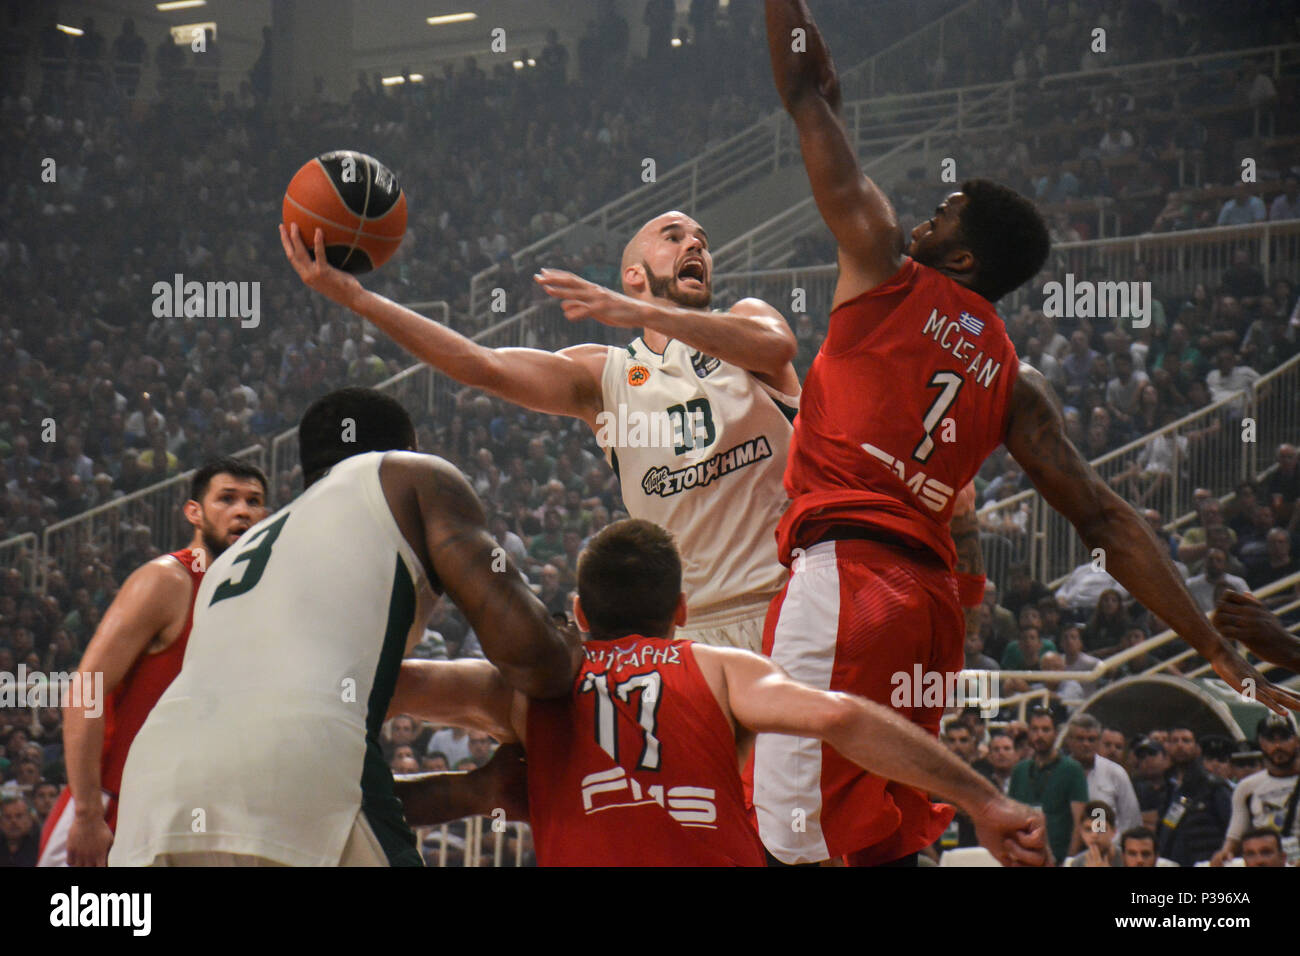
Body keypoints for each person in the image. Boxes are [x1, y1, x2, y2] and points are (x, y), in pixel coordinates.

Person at [754, 0, 1297, 868]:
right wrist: (1209, 645)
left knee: (785, 837)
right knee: (881, 833)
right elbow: (1110, 522)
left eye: (940, 217)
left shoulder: (882, 267)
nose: (921, 223)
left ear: (960, 260)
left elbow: (803, 93)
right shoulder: (1018, 384)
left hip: (846, 579)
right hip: (930, 611)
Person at [281, 212, 798, 653]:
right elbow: (480, 365)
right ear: (634, 274)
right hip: (686, 631)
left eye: (701, 242)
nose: (695, 245)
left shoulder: (747, 321)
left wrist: (640, 312)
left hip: (786, 606)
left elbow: (776, 348)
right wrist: (357, 298)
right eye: (674, 236)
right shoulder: (603, 375)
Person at [390, 520, 1047, 867]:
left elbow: (391, 683)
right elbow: (844, 717)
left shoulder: (523, 691)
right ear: (680, 609)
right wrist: (983, 799)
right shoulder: (724, 669)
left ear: (580, 615)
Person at [109, 389, 581, 867]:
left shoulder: (234, 558)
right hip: (296, 772)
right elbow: (538, 662)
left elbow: (311, 798)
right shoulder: (409, 475)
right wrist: (568, 639)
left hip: (149, 800)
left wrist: (476, 790)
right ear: (408, 446)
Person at [38, 458, 268, 867]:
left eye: (254, 501)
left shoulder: (256, 598)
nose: (242, 511)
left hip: (196, 809)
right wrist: (89, 812)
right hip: (115, 801)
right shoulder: (167, 580)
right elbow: (87, 687)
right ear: (194, 512)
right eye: (227, 499)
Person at [1212, 713, 1299, 866]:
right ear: (1261, 743)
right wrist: (1224, 854)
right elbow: (1234, 837)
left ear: (1296, 741)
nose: (1278, 746)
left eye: (1284, 739)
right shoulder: (1247, 787)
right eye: (1271, 740)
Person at [1008, 707, 1089, 864]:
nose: (1039, 735)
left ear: (1056, 733)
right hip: (1024, 857)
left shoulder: (1072, 769)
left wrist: (1070, 860)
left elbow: (1079, 821)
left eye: (1045, 729)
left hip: (1058, 857)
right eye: (1035, 729)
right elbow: (1011, 818)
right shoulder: (1020, 770)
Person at [1065, 714, 1142, 836]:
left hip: (1107, 847)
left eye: (1091, 739)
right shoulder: (1058, 771)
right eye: (1080, 739)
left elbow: (1131, 821)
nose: (1086, 744)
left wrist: (1112, 846)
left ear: (1099, 741)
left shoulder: (1116, 773)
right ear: (1068, 740)